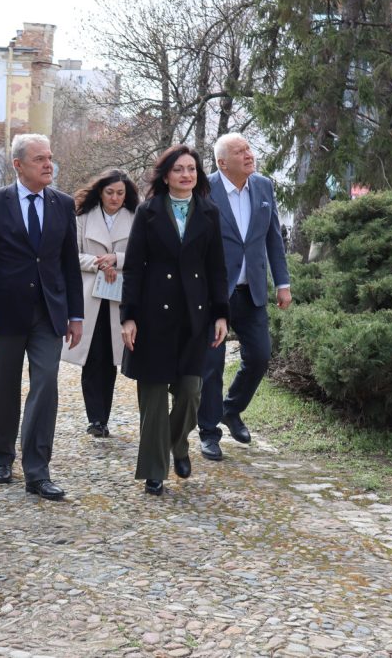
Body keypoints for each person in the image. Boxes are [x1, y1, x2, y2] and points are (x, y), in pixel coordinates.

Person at [0, 134, 83, 501]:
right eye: (39, 159)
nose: (48, 164)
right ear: (18, 165)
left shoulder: (63, 204)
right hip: (3, 314)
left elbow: (69, 263)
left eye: (49, 157)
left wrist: (76, 314)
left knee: (46, 384)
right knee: (1, 387)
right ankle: (1, 456)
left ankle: (37, 470)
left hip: (48, 313)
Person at [120, 144, 229, 495]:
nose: (186, 174)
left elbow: (217, 268)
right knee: (153, 399)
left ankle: (178, 444)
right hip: (152, 317)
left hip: (194, 318)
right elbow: (133, 268)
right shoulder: (148, 211)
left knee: (191, 392)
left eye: (192, 169)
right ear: (166, 176)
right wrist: (128, 317)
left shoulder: (209, 212)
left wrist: (221, 314)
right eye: (179, 169)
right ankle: (154, 470)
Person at [197, 133, 291, 461]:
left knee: (261, 356)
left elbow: (273, 237)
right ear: (222, 163)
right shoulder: (203, 189)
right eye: (240, 151)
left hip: (251, 291)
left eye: (249, 148)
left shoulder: (263, 187)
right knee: (212, 365)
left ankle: (231, 408)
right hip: (214, 294)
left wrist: (282, 283)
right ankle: (209, 432)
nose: (249, 154)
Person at [62, 169, 139, 438]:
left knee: (110, 358)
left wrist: (117, 258)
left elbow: (144, 254)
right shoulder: (83, 217)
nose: (115, 198)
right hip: (90, 294)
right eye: (110, 192)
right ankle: (95, 418)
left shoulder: (135, 217)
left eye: (120, 193)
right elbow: (70, 254)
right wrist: (97, 262)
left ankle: (103, 415)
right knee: (92, 356)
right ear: (100, 192)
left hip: (120, 294)